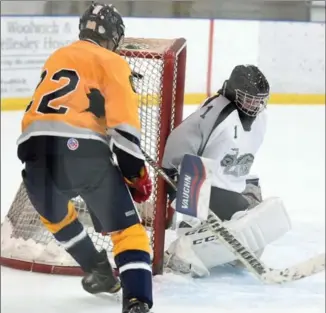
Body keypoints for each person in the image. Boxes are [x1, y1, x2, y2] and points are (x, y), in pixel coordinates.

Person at [17, 3, 153, 312]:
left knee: (55, 215)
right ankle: (137, 299)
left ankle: (98, 269)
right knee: (127, 230)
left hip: (33, 153)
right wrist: (135, 175)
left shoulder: (59, 55)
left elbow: (63, 102)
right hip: (81, 154)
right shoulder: (114, 62)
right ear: (114, 37)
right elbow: (125, 131)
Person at [161, 65, 291, 277]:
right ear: (233, 92)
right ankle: (184, 245)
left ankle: (221, 249)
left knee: (264, 222)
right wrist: (176, 183)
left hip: (229, 188)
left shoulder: (261, 118)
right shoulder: (217, 112)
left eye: (259, 100)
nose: (255, 105)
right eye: (249, 99)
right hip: (206, 188)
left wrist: (249, 187)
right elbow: (179, 141)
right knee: (244, 218)